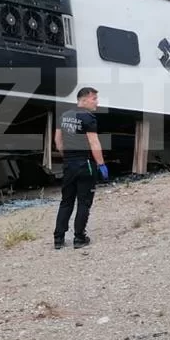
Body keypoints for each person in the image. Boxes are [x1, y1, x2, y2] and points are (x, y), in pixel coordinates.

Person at [53, 87, 108, 249]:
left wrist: (67, 157)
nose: (97, 102)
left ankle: (58, 238)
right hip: (85, 164)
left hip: (68, 165)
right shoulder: (88, 118)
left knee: (66, 201)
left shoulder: (63, 116)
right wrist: (101, 165)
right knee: (84, 202)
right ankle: (79, 238)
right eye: (94, 99)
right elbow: (94, 143)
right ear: (83, 99)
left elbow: (58, 141)